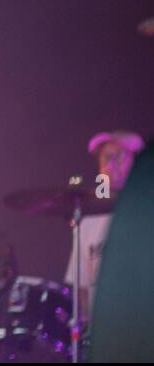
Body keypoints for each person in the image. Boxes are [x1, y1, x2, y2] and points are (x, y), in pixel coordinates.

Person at [64, 130, 144, 320]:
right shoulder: (88, 221)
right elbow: (80, 287)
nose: (110, 164)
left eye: (118, 157)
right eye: (105, 158)